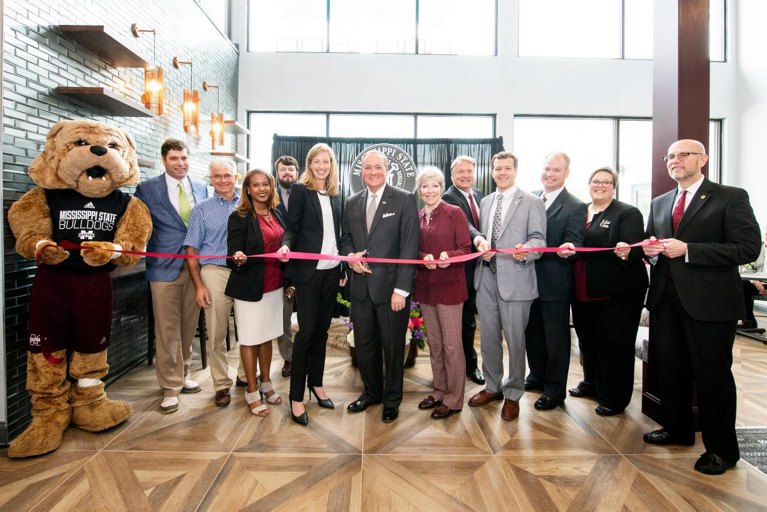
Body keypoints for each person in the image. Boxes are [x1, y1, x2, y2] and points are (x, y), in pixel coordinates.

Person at [642, 139, 761, 475]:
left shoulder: (729, 197)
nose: (675, 160)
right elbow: (652, 240)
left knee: (712, 378)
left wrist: (690, 250)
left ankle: (722, 450)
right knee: (671, 372)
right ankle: (678, 430)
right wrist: (647, 250)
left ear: (703, 159)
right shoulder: (661, 202)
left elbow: (747, 248)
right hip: (666, 301)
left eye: (684, 154)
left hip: (710, 305)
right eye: (671, 156)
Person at [340, 149, 419, 423]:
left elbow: (410, 246)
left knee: (394, 347)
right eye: (367, 168)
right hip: (361, 289)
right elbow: (346, 238)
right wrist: (350, 258)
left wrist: (402, 289)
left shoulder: (405, 199)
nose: (373, 172)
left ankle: (392, 399)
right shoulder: (352, 201)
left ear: (388, 170)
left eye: (378, 167)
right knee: (364, 346)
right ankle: (371, 393)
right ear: (361, 172)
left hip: (391, 292)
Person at [468, 151, 546, 422]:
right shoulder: (487, 201)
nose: (502, 173)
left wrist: (527, 249)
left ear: (515, 171)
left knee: (515, 340)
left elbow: (539, 239)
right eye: (497, 168)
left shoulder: (532, 202)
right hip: (486, 278)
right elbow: (486, 236)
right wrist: (483, 247)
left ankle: (513, 394)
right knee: (489, 338)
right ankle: (492, 386)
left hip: (516, 279)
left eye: (507, 168)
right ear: (491, 172)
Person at [135, 138, 209, 414]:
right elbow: (138, 224)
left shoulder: (201, 187)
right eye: (174, 158)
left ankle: (184, 373)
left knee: (188, 325)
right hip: (162, 265)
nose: (180, 163)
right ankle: (169, 386)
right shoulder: (147, 188)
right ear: (164, 159)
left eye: (184, 158)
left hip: (195, 267)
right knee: (166, 328)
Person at [569, 167, 648, 417]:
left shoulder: (627, 213)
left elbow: (636, 249)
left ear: (614, 186)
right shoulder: (580, 211)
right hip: (582, 290)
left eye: (606, 182)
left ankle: (614, 398)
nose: (600, 185)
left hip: (617, 293)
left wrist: (627, 250)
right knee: (588, 341)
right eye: (595, 181)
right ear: (588, 184)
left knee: (614, 346)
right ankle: (591, 383)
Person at [278, 144, 345, 426]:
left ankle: (316, 385)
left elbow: (338, 235)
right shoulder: (302, 193)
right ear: (309, 164)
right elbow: (291, 229)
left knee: (321, 332)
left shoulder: (336, 195)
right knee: (306, 335)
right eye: (316, 161)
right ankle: (296, 397)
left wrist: (342, 265)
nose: (321, 166)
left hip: (331, 273)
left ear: (331, 164)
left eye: (325, 161)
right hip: (308, 274)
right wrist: (284, 246)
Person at [524, 152, 585, 411]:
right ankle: (536, 375)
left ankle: (554, 390)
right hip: (526, 278)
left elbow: (575, 240)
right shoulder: (530, 198)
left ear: (566, 173)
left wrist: (569, 247)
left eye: (556, 170)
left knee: (555, 339)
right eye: (547, 168)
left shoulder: (575, 205)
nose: (549, 174)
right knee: (532, 333)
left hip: (555, 281)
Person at [414, 167, 473, 419]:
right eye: (425, 186)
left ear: (441, 187)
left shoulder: (454, 213)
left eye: (435, 186)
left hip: (450, 287)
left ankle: (454, 398)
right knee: (435, 343)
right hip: (426, 288)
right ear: (419, 190)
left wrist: (451, 256)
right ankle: (439, 390)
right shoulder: (416, 216)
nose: (430, 191)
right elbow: (411, 250)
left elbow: (466, 247)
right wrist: (421, 257)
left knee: (451, 344)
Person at [226, 169, 286, 417]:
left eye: (266, 184)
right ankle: (251, 390)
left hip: (275, 286)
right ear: (248, 189)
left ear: (271, 188)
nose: (262, 189)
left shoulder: (277, 213)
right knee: (251, 339)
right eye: (256, 185)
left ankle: (266, 383)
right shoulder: (239, 217)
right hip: (250, 288)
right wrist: (238, 258)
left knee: (268, 337)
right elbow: (233, 252)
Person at [183, 159, 240, 408]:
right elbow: (192, 250)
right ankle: (221, 385)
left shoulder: (249, 205)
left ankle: (248, 376)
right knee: (216, 333)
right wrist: (199, 285)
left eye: (227, 175)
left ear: (236, 177)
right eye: (217, 176)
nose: (223, 180)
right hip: (214, 271)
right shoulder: (201, 210)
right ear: (211, 179)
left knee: (251, 331)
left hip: (247, 272)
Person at [442, 155, 485, 386]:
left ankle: (468, 362)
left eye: (469, 171)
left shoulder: (478, 194)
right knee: (466, 320)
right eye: (460, 172)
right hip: (462, 269)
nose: (465, 175)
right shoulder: (449, 197)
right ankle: (468, 365)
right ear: (452, 175)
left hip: (480, 266)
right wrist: (479, 238)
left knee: (471, 320)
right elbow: (466, 226)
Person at [274, 155, 299, 378]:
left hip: (308, 264)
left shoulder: (305, 193)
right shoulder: (269, 198)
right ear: (277, 173)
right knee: (284, 317)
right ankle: (288, 357)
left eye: (290, 170)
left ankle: (306, 356)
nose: (287, 174)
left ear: (297, 173)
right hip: (280, 267)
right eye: (283, 170)